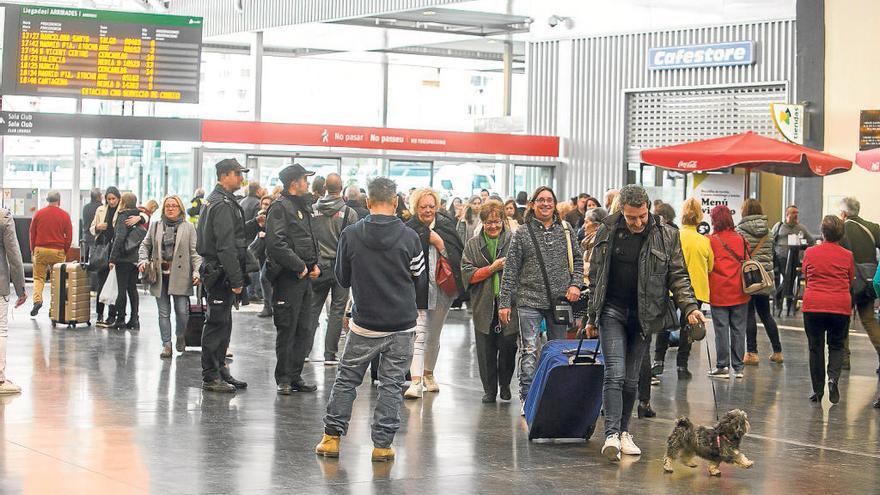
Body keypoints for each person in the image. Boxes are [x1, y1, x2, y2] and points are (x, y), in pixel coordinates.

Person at [584, 186, 702, 461]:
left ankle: (625, 432)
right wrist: (591, 317)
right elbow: (598, 277)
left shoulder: (667, 235)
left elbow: (679, 276)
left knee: (631, 379)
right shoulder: (607, 230)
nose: (637, 222)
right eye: (630, 217)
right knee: (614, 372)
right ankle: (611, 433)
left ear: (648, 208)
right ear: (621, 211)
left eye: (641, 216)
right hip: (611, 311)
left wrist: (691, 308)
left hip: (644, 317)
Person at [315, 177, 424, 462]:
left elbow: (342, 277)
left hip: (364, 323)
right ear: (397, 201)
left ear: (367, 202)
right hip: (402, 323)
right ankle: (382, 446)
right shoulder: (411, 237)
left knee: (347, 379)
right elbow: (418, 277)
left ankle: (331, 438)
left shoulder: (351, 234)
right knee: (391, 384)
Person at [499, 186, 583, 410]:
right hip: (529, 301)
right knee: (529, 350)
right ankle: (527, 398)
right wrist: (504, 303)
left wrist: (576, 284)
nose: (545, 204)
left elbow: (578, 260)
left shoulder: (566, 230)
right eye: (541, 200)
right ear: (532, 204)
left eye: (549, 200)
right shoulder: (522, 233)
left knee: (559, 350)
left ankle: (557, 394)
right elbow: (511, 271)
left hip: (560, 301)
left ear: (554, 204)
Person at [196, 158, 261, 393]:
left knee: (224, 324)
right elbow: (225, 246)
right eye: (237, 173)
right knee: (216, 325)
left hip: (219, 271)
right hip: (220, 272)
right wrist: (236, 280)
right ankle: (210, 376)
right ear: (224, 176)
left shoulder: (221, 201)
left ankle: (220, 370)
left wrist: (255, 224)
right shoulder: (222, 203)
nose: (241, 178)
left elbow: (234, 235)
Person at [404, 188, 466, 399]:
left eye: (431, 206)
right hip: (416, 290)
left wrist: (440, 243)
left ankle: (429, 374)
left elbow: (458, 256)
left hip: (442, 290)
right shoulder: (408, 228)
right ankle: (415, 381)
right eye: (423, 206)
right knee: (419, 335)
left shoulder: (447, 226)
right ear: (415, 207)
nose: (428, 210)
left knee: (434, 335)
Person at [265, 164, 321, 395]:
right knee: (287, 328)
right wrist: (299, 266)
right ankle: (284, 378)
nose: (307, 184)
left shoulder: (302, 206)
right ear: (293, 183)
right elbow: (276, 243)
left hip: (305, 277)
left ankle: (296, 375)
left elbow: (307, 239)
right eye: (304, 180)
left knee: (305, 328)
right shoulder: (280, 207)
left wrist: (313, 264)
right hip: (288, 278)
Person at [461, 200, 518, 403]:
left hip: (510, 304)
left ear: (504, 220)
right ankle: (489, 390)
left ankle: (505, 384)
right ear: (482, 222)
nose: (493, 226)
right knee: (485, 348)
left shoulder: (514, 241)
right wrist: (491, 269)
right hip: (483, 304)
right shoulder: (473, 245)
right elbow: (467, 275)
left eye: (497, 221)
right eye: (488, 222)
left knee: (509, 344)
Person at [653, 198, 712, 380]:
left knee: (665, 325)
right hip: (696, 291)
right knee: (689, 329)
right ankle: (682, 366)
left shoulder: (674, 236)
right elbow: (710, 267)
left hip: (671, 288)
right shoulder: (704, 241)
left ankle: (658, 362)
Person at [138, 195, 202, 358]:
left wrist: (197, 271)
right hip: (159, 276)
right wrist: (143, 260)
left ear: (180, 208)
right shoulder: (155, 226)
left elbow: (195, 252)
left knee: (182, 312)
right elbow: (145, 245)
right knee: (163, 313)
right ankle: (166, 345)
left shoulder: (188, 227)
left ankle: (180, 335)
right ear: (163, 209)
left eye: (174, 206)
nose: (170, 208)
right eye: (167, 206)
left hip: (181, 276)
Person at [800, 215, 854, 404]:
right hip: (839, 305)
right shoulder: (848, 255)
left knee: (815, 347)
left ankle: (817, 390)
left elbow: (806, 275)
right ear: (841, 234)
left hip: (814, 304)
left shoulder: (810, 252)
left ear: (822, 232)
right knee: (837, 345)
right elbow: (850, 278)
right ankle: (833, 379)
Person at [308, 173, 359, 365]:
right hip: (341, 268)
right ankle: (330, 354)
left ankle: (305, 351)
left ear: (324, 188)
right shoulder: (349, 213)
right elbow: (353, 244)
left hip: (317, 266)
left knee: (313, 308)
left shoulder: (313, 210)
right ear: (342, 187)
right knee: (337, 311)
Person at [737, 199, 783, 365]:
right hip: (764, 279)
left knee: (749, 314)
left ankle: (752, 352)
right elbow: (772, 253)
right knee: (765, 314)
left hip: (748, 279)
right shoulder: (769, 232)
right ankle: (777, 351)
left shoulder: (739, 231)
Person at [707, 205, 751, 379]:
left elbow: (708, 265)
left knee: (721, 329)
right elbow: (746, 260)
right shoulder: (740, 238)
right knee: (739, 330)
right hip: (740, 291)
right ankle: (738, 368)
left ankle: (722, 366)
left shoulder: (710, 240)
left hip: (718, 292)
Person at [838, 196, 880, 372]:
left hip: (849, 280)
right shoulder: (874, 228)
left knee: (843, 320)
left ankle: (844, 360)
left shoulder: (841, 229)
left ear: (844, 212)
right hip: (869, 282)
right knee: (869, 320)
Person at [28, 191, 73, 316]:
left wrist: (32, 249)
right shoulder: (65, 215)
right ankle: (53, 309)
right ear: (59, 201)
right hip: (57, 251)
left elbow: (32, 233)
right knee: (57, 280)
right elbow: (69, 235)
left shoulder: (38, 214)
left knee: (38, 278)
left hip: (40, 250)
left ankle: (37, 300)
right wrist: (65, 250)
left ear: (47, 200)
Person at [109, 192, 146, 330]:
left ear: (122, 202)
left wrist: (112, 258)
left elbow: (120, 237)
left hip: (124, 258)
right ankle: (135, 319)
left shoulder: (123, 216)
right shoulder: (138, 216)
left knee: (121, 289)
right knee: (132, 288)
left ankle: (120, 319)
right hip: (135, 259)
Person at [0, 207, 27, 394]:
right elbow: (14, 256)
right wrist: (21, 289)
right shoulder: (3, 217)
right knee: (0, 328)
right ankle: (0, 379)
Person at [771, 205, 815, 314]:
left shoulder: (801, 228)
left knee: (790, 280)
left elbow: (811, 240)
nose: (796, 215)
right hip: (781, 257)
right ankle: (779, 300)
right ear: (787, 215)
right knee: (787, 278)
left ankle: (784, 300)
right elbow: (771, 239)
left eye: (797, 213)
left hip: (796, 257)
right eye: (793, 213)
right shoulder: (779, 226)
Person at [90, 187, 123, 326]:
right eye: (108, 199)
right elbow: (91, 228)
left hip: (116, 251)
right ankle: (99, 314)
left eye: (113, 199)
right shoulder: (100, 210)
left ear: (118, 198)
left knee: (114, 284)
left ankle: (112, 315)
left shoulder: (122, 211)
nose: (111, 201)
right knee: (101, 283)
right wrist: (98, 226)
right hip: (103, 249)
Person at [254, 195, 275, 318]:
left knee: (264, 278)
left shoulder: (274, 216)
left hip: (271, 254)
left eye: (267, 204)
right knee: (264, 278)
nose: (265, 206)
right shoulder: (260, 216)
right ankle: (268, 306)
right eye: (263, 203)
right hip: (262, 251)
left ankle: (269, 306)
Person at [580, 207, 608, 285]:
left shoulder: (599, 244)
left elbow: (596, 268)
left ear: (596, 226)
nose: (583, 226)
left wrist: (577, 267)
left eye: (586, 222)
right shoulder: (588, 242)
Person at [81, 188, 102, 288]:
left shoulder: (85, 207)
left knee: (83, 262)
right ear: (99, 196)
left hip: (85, 236)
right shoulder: (101, 208)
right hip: (96, 237)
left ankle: (82, 283)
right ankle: (94, 286)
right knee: (95, 261)